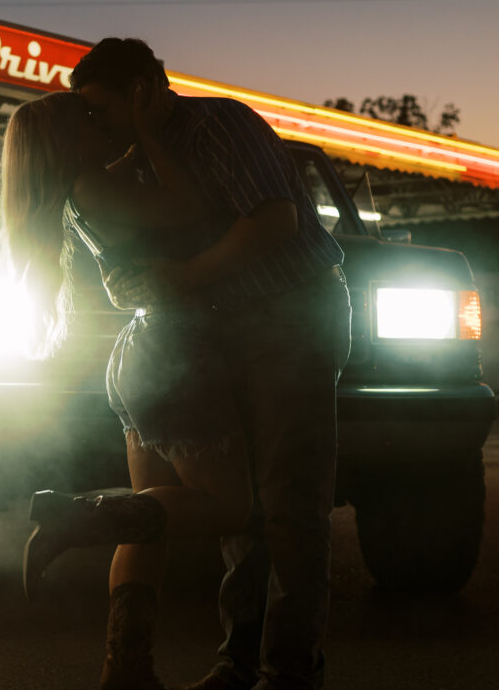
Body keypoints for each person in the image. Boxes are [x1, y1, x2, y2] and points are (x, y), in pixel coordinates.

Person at [68, 38, 352, 690]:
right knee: (241, 510)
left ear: (143, 90)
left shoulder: (220, 123)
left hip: (292, 316)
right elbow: (134, 260)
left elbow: (274, 221)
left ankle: (287, 670)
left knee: (289, 501)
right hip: (215, 332)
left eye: (100, 108)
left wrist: (184, 278)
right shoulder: (133, 165)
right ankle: (237, 662)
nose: (94, 126)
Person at [0, 87, 255, 690]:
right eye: (86, 118)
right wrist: (154, 135)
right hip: (177, 354)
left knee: (153, 520)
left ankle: (126, 669)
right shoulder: (94, 188)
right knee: (232, 508)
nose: (101, 120)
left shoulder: (77, 194)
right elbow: (192, 207)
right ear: (68, 142)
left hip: (146, 357)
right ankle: (76, 519)